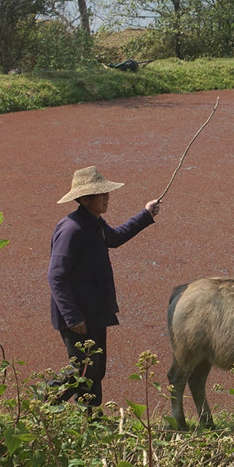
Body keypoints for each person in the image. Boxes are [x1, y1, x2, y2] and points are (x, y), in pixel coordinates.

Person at [48, 166, 162, 407]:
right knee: (81, 370)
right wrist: (72, 316)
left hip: (95, 312)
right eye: (102, 194)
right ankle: (42, 407)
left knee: (95, 369)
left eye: (106, 193)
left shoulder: (94, 223)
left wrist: (146, 214)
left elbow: (115, 238)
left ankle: (89, 417)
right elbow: (56, 277)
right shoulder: (71, 229)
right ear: (86, 199)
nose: (107, 198)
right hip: (78, 317)